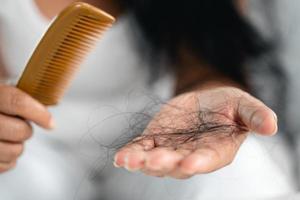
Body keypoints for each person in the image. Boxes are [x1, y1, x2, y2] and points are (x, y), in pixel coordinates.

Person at [0, 0, 297, 199]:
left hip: (156, 134)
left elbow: (207, 64)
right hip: (33, 146)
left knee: (232, 171)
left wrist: (209, 92)